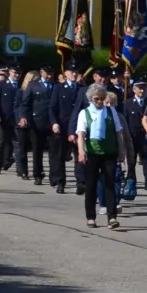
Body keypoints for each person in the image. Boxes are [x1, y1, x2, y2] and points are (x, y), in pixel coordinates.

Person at [74, 84, 124, 228]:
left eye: (102, 98)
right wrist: (81, 151)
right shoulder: (85, 113)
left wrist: (121, 151)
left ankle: (112, 217)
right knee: (91, 185)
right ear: (90, 99)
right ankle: (90, 216)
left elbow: (119, 131)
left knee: (110, 184)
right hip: (92, 153)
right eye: (97, 99)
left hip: (109, 153)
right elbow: (81, 134)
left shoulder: (111, 111)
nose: (100, 102)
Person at [49, 62, 84, 194]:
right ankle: (60, 181)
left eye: (75, 71)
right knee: (60, 156)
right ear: (65, 73)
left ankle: (80, 182)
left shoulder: (82, 89)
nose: (74, 74)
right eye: (71, 71)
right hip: (62, 126)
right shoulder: (58, 88)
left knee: (79, 155)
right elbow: (52, 107)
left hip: (77, 127)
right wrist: (54, 123)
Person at [17, 67, 53, 182]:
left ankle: (55, 176)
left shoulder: (55, 85)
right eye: (47, 74)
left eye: (51, 74)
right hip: (37, 121)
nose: (49, 76)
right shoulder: (33, 85)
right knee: (37, 150)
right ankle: (38, 174)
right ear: (41, 72)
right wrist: (23, 116)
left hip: (52, 121)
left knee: (54, 151)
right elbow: (25, 103)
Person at [0, 66, 20, 174]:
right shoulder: (2, 85)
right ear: (9, 73)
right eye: (15, 73)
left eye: (19, 73)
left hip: (17, 118)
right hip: (3, 118)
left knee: (16, 143)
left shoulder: (22, 85)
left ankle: (16, 167)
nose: (17, 75)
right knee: (1, 142)